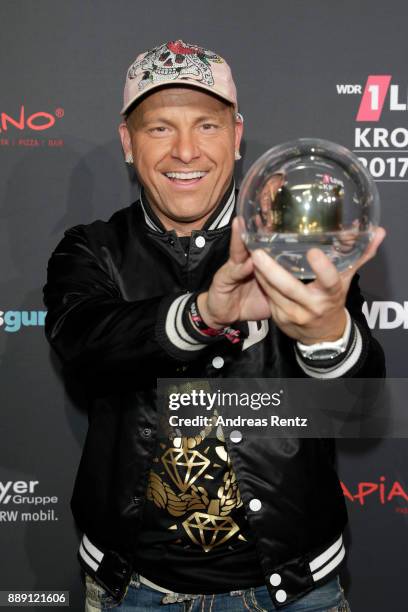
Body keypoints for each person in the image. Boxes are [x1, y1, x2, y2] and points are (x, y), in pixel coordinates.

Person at [43, 40, 385, 612]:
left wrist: (327, 332)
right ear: (128, 142)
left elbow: (360, 405)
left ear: (236, 134)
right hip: (135, 590)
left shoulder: (298, 239)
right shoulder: (93, 249)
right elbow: (85, 343)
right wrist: (205, 313)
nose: (185, 151)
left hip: (294, 590)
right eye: (159, 129)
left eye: (206, 125)